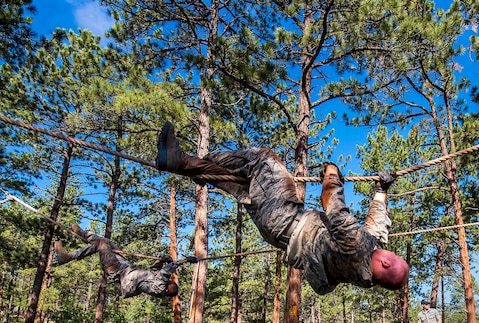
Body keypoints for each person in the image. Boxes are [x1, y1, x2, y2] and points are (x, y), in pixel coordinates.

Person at [156, 122, 409, 295]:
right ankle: (187, 166)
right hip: (279, 230)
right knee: (243, 182)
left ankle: (183, 162)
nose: (389, 250)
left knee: (262, 161)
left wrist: (332, 172)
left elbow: (333, 206)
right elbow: (378, 231)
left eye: (393, 255)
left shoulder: (358, 248)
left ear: (386, 263)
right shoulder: (365, 269)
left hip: (285, 219)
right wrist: (381, 191)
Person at [54, 224, 183, 298]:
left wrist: (182, 261)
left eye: (169, 282)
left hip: (118, 271)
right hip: (125, 267)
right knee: (107, 243)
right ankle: (84, 235)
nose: (168, 280)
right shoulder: (155, 282)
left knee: (102, 244)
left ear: (166, 289)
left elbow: (165, 273)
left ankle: (68, 256)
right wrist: (163, 260)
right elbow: (157, 269)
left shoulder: (159, 289)